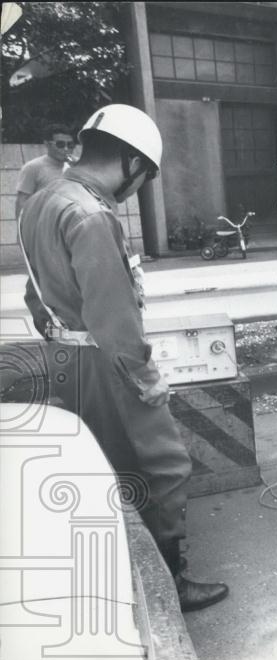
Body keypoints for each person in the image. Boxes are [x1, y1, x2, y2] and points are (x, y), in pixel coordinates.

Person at [19, 104, 229, 612]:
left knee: (106, 464)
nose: (141, 187)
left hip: (70, 359)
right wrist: (147, 378)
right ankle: (168, 586)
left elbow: (34, 291)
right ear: (133, 163)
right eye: (146, 176)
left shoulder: (43, 202)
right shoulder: (90, 214)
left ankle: (119, 571)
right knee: (164, 468)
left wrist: (60, 331)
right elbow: (113, 314)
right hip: (108, 364)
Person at [15, 123, 76, 218]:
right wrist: (21, 230)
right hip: (42, 223)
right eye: (60, 144)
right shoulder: (33, 167)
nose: (66, 149)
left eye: (70, 145)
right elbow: (22, 201)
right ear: (47, 144)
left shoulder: (76, 166)